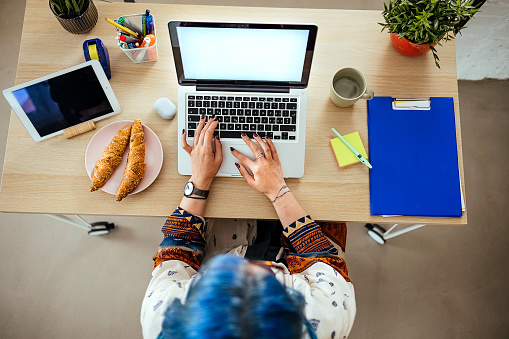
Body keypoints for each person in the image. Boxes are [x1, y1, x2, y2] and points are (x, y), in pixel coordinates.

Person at [141, 115, 356, 338]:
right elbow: (322, 258)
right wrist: (278, 190)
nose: (254, 264)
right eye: (266, 276)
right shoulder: (326, 319)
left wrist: (199, 181)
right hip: (309, 272)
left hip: (220, 250)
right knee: (332, 202)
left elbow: (176, 252)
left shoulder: (163, 318)